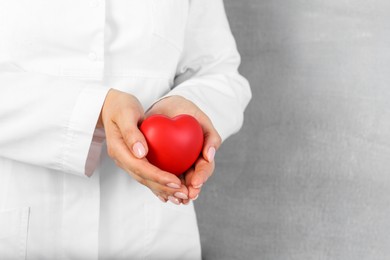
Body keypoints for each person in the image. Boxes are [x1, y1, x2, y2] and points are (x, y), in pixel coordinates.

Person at [0, 0, 251, 259]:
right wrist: (96, 110)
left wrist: (188, 108)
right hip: (24, 231)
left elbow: (219, 72)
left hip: (155, 236)